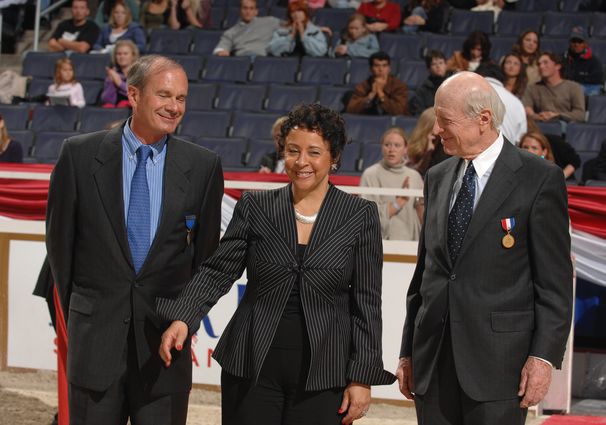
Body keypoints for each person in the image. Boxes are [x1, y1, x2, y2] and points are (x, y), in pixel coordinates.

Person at [157, 103, 396, 425]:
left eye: (314, 152)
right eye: (293, 150)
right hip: (250, 367)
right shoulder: (256, 207)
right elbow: (217, 271)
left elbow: (367, 302)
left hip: (325, 375)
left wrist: (361, 377)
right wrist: (183, 317)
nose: (301, 162)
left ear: (334, 156)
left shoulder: (359, 216)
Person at [45, 55, 224, 424]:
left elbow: (206, 262)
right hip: (94, 349)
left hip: (164, 355)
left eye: (182, 98)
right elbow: (60, 253)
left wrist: (184, 319)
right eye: (164, 95)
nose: (174, 107)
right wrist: (89, 315)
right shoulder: (78, 156)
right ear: (133, 94)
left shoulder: (204, 167)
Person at [396, 71, 573, 424]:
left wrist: (543, 358)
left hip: (500, 368)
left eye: (445, 121)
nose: (436, 130)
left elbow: (554, 283)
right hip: (432, 363)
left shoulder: (539, 179)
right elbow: (425, 275)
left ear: (484, 120)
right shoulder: (437, 176)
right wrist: (407, 352)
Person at [360, 127, 425, 241]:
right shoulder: (370, 174)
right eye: (387, 145)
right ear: (382, 147)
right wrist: (398, 203)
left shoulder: (414, 176)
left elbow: (422, 215)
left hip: (410, 243)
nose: (391, 149)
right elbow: (367, 218)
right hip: (380, 243)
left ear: (405, 149)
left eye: (397, 145)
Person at [523, 51, 586, 124]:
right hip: (540, 125)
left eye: (545, 63)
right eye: (539, 64)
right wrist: (537, 116)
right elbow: (527, 109)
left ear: (557, 66)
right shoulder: (532, 88)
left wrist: (558, 115)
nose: (541, 66)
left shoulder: (574, 87)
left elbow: (580, 114)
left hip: (565, 125)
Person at [475, 63, 527, 144]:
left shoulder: (469, 95)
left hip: (473, 153)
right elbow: (520, 139)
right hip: (508, 154)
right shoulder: (517, 103)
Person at [346, 51, 409, 116]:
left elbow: (400, 111)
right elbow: (350, 110)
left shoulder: (399, 86)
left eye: (384, 66)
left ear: (389, 69)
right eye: (377, 66)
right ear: (371, 69)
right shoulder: (363, 86)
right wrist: (370, 95)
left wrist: (381, 94)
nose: (381, 69)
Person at [213, 0, 280, 57]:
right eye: (245, 8)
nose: (248, 12)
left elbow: (288, 26)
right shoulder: (231, 32)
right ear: (240, 11)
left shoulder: (270, 22)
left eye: (251, 8)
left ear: (256, 11)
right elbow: (221, 47)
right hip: (242, 62)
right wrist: (221, 51)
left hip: (261, 61)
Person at [562, 26, 604, 96]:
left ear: (585, 44)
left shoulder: (594, 61)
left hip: (586, 91)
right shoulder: (562, 59)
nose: (576, 44)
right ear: (569, 43)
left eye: (580, 41)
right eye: (574, 41)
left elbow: (597, 80)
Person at [406, 107, 450, 175]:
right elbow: (412, 173)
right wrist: (427, 154)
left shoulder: (445, 145)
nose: (439, 129)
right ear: (428, 127)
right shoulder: (414, 145)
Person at [409, 50, 450, 116]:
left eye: (441, 63)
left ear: (446, 65)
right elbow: (420, 114)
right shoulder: (422, 90)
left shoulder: (454, 85)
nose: (438, 66)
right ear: (428, 68)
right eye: (434, 64)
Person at [101, 39, 139, 108]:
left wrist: (119, 83)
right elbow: (107, 100)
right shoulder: (114, 73)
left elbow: (138, 95)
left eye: (125, 53)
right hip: (116, 111)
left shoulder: (139, 73)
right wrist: (110, 82)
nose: (122, 56)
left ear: (133, 55)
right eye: (118, 54)